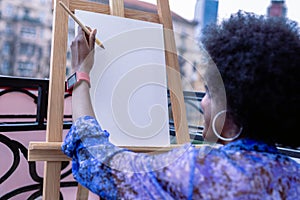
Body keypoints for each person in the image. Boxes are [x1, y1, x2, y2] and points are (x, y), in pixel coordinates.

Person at [62, 11, 300, 199]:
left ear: (230, 110)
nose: (203, 103)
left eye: (208, 92)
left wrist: (80, 74)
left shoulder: (198, 171)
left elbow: (100, 162)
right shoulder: (294, 177)